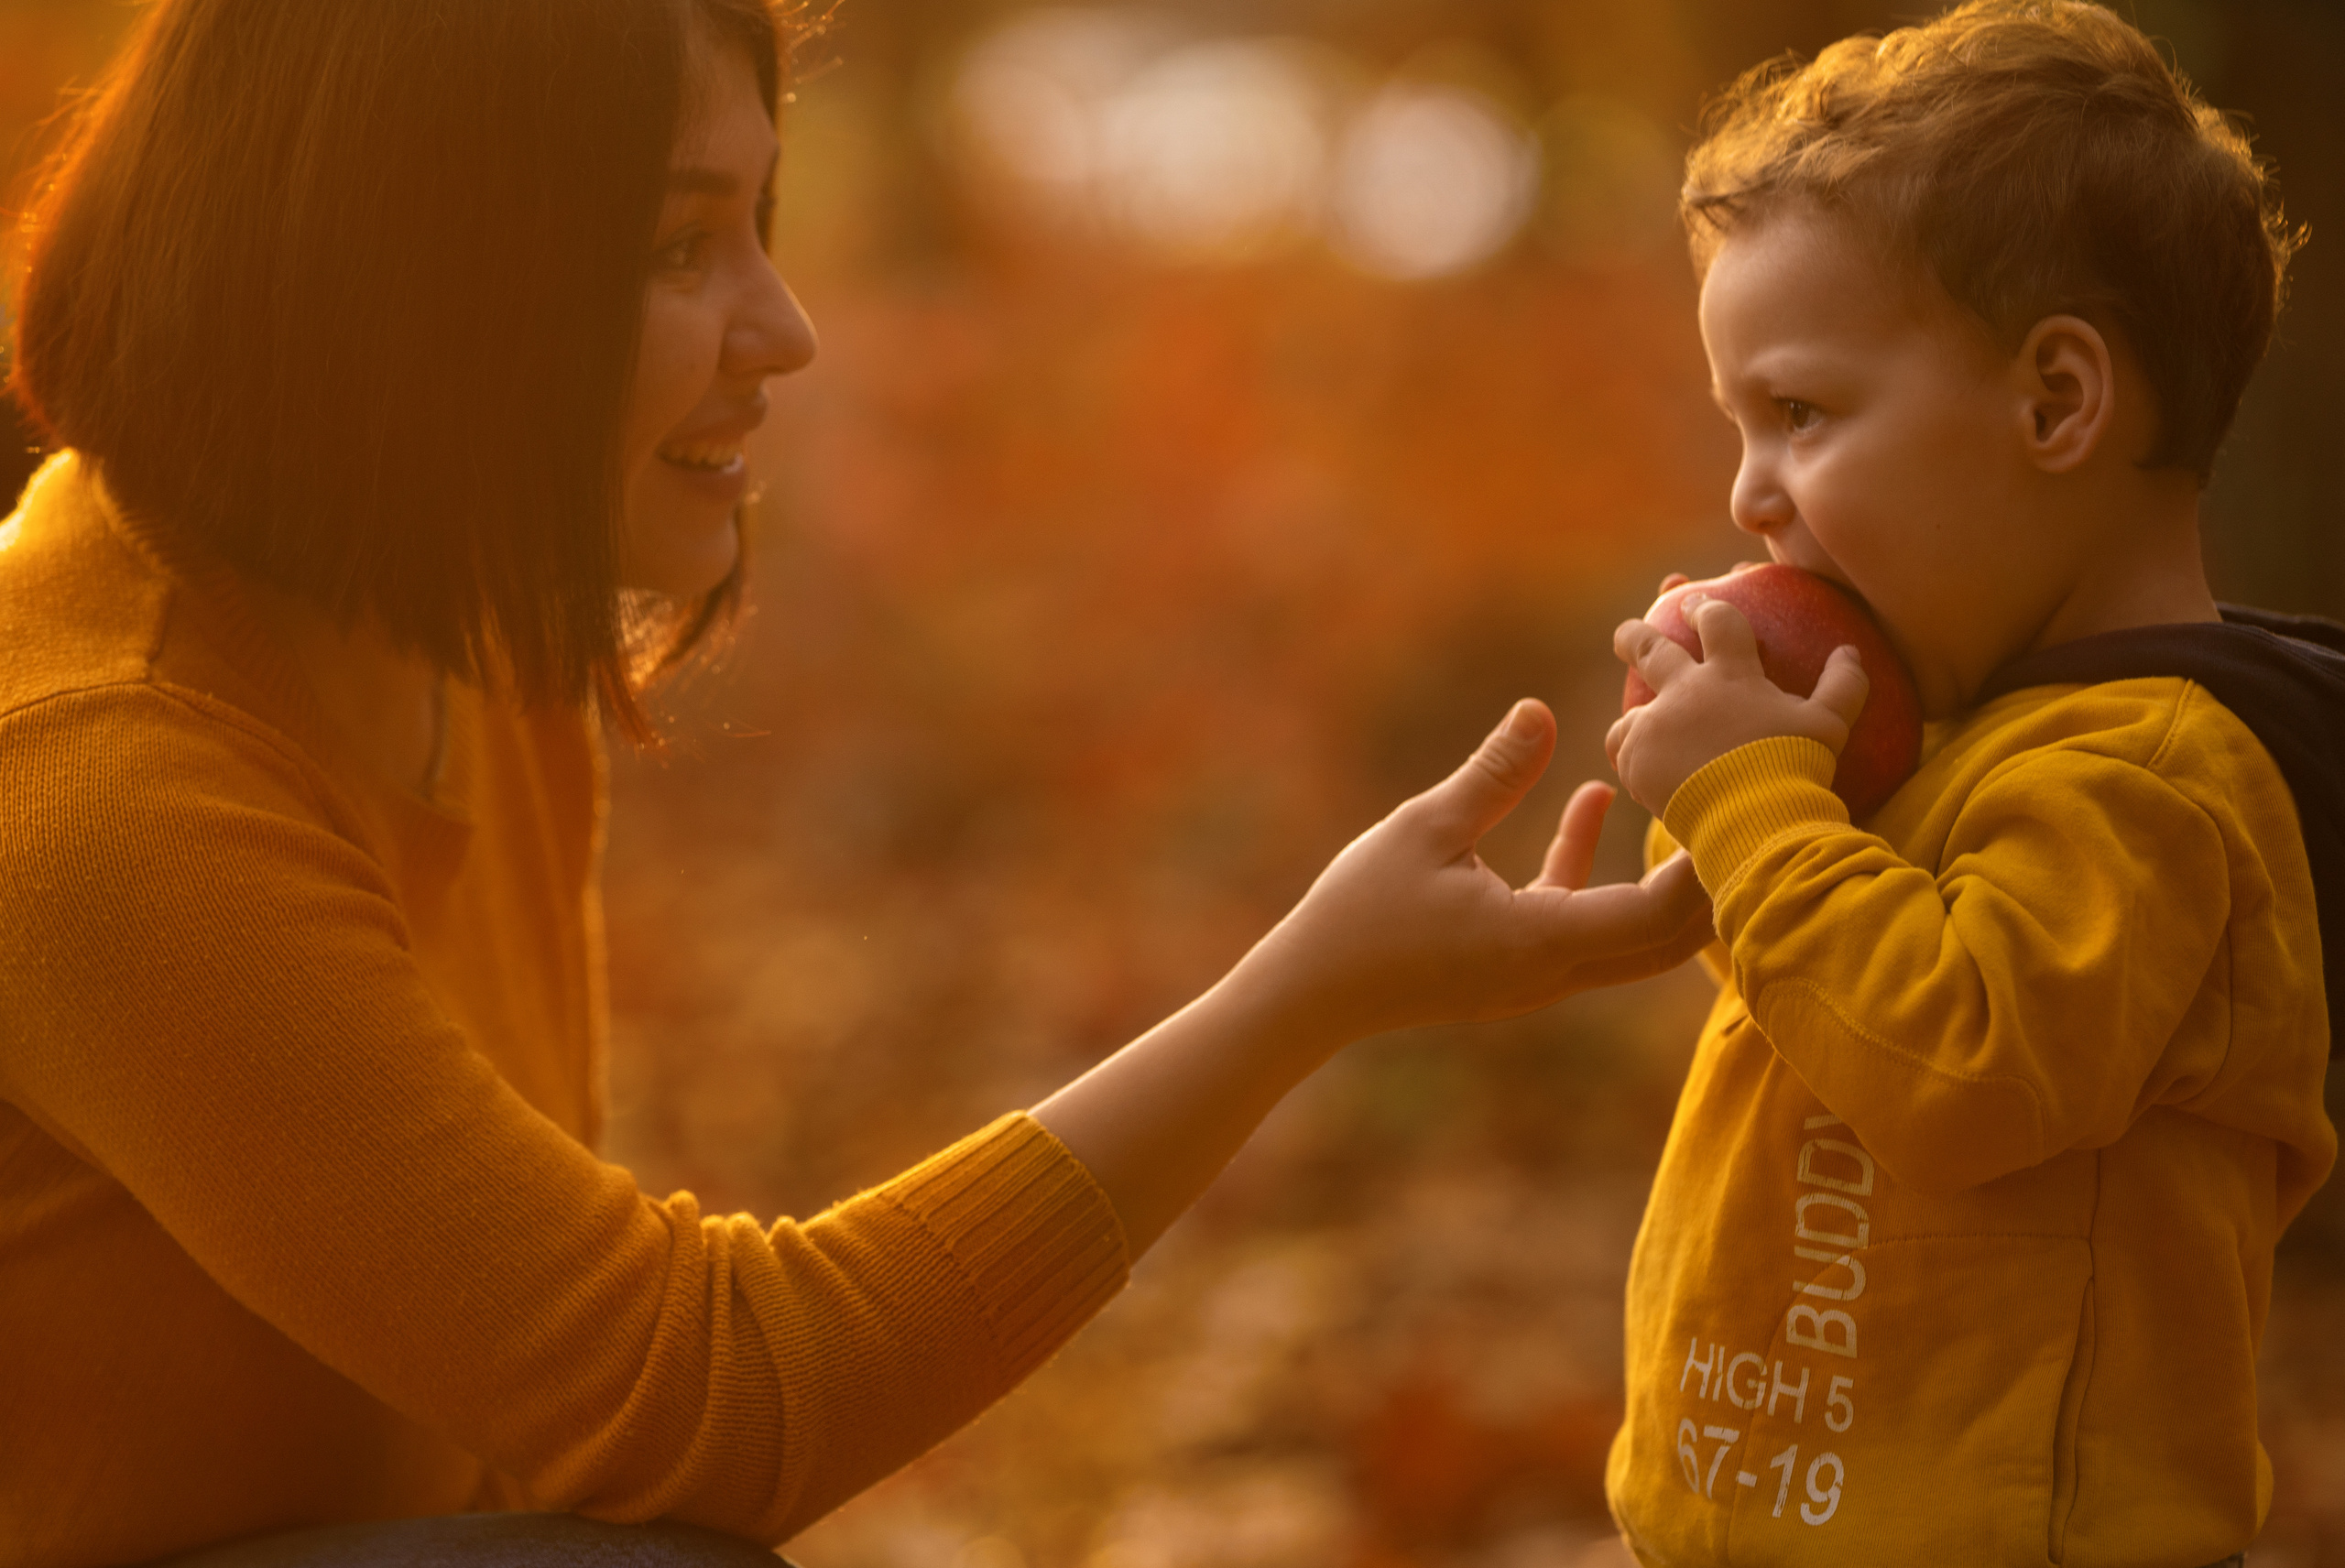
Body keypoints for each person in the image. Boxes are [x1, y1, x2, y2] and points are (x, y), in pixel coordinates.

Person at [0, 2, 1718, 1565]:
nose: (788, 328)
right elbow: (710, 1404)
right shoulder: (102, 785)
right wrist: (1297, 1000)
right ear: (418, 279)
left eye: (763, 221)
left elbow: (549, 1418)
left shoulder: (454, 618)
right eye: (679, 246)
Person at [1598, 1, 2345, 1563]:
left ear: (2057, 402)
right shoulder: (1976, 746)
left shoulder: (2153, 780)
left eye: (1799, 414)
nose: (1748, 496)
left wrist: (1753, 814)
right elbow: (1847, 1045)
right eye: (1742, 427)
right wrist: (1739, 849)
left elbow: (1964, 1069)